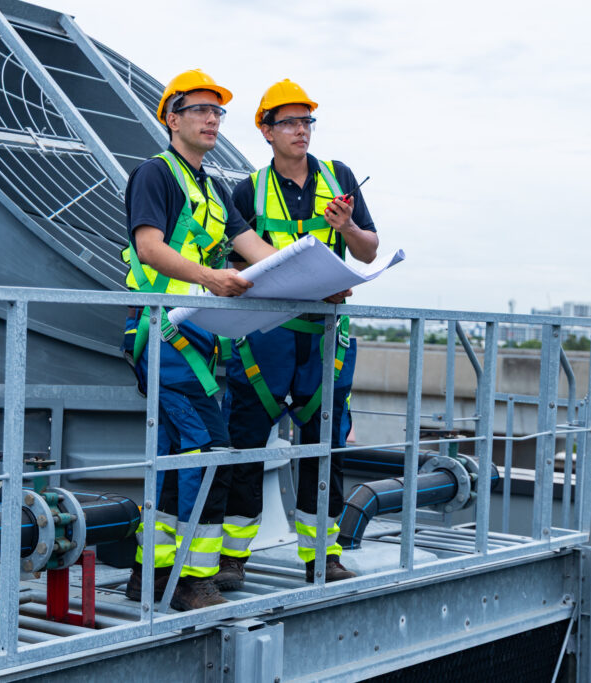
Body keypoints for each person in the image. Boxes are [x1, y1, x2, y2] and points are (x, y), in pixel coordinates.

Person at [120, 69, 278, 611]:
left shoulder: (210, 186)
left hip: (201, 342)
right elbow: (149, 248)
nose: (213, 119)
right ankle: (194, 581)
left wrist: (314, 276)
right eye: (201, 110)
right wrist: (211, 278)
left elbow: (252, 246)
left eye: (218, 112)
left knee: (175, 454)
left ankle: (148, 574)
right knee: (208, 450)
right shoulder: (155, 175)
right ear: (172, 118)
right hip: (166, 338)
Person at [216, 79, 379, 589]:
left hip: (325, 341)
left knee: (323, 445)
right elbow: (235, 260)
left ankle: (322, 557)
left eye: (306, 121)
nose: (300, 131)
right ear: (265, 130)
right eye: (288, 122)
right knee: (244, 446)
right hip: (264, 336)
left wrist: (348, 226)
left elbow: (369, 250)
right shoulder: (248, 189)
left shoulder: (340, 177)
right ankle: (231, 557)